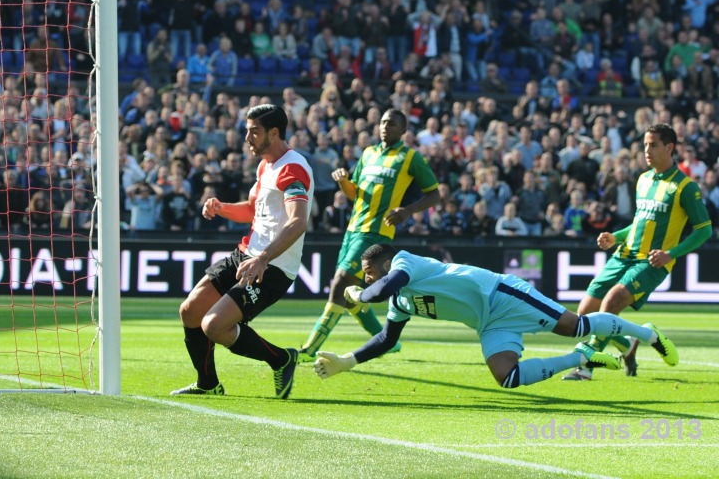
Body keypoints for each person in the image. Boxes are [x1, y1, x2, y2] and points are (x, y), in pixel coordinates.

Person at [313, 244, 679, 389]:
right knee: (508, 377)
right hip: (488, 323)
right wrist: (348, 360)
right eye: (364, 276)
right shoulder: (399, 300)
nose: (367, 278)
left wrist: (361, 294)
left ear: (384, 263)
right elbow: (388, 339)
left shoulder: (406, 262)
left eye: (369, 271)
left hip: (501, 295)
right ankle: (583, 357)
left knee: (575, 325)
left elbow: (379, 290)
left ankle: (647, 334)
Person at [171, 105, 314, 399]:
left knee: (213, 325)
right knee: (190, 311)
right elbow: (252, 210)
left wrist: (263, 258)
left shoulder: (292, 168)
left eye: (254, 131)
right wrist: (221, 207)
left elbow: (298, 222)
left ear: (274, 133)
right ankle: (208, 384)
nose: (246, 137)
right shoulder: (265, 165)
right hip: (247, 255)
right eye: (247, 130)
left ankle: (280, 359)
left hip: (271, 266)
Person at [563, 124, 712, 381]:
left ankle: (585, 364)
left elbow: (704, 230)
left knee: (612, 301)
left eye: (653, 145)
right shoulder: (643, 180)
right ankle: (628, 344)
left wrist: (671, 254)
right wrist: (615, 237)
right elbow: (640, 221)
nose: (647, 150)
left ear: (669, 148)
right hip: (624, 254)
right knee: (585, 314)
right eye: (645, 145)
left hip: (652, 262)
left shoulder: (685, 187)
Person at [299, 109, 440, 362]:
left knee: (341, 282)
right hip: (353, 228)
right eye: (384, 121)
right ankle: (387, 341)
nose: (386, 126)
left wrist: (408, 211)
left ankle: (309, 349)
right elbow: (355, 193)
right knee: (350, 291)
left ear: (403, 130)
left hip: (377, 230)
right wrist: (343, 181)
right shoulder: (368, 153)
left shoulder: (410, 158)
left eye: (392, 123)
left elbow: (434, 194)